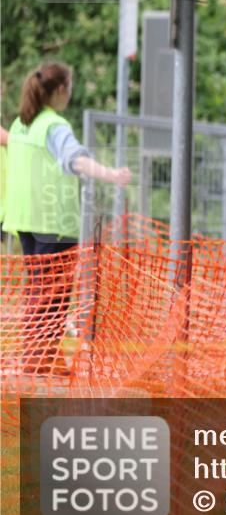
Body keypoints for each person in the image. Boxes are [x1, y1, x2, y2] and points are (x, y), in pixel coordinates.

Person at [3, 62, 132, 375]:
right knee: (53, 297)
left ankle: (43, 359)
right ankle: (39, 364)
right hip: (53, 224)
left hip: (25, 220)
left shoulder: (24, 123)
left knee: (38, 292)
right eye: (70, 87)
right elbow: (77, 161)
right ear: (61, 90)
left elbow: (8, 140)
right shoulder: (53, 125)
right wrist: (112, 175)